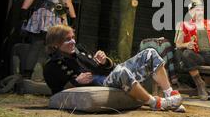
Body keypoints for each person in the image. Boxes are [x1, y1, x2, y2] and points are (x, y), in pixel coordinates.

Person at [43, 25, 185, 112]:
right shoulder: (52, 66)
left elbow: (105, 68)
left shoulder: (80, 51)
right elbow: (57, 92)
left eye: (73, 37)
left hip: (109, 75)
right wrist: (76, 81)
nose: (73, 41)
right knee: (120, 72)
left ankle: (169, 94)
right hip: (101, 82)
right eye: (67, 39)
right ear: (55, 44)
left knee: (150, 53)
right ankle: (156, 103)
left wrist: (104, 61)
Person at [20, 0, 77, 75]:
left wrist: (73, 19)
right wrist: (23, 12)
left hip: (59, 16)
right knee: (37, 45)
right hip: (43, 14)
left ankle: (53, 77)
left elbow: (68, 2)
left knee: (57, 49)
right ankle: (26, 76)